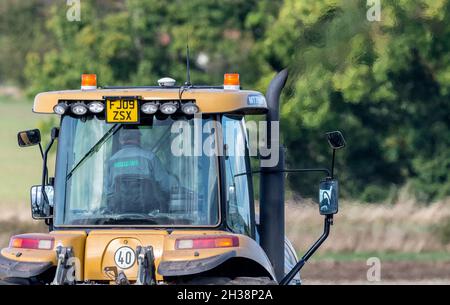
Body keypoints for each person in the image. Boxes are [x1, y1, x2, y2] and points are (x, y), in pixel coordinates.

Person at [106, 127, 172, 215]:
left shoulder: (112, 161)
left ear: (121, 140)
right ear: (138, 138)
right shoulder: (150, 158)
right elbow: (166, 186)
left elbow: (108, 192)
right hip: (151, 216)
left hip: (119, 215)